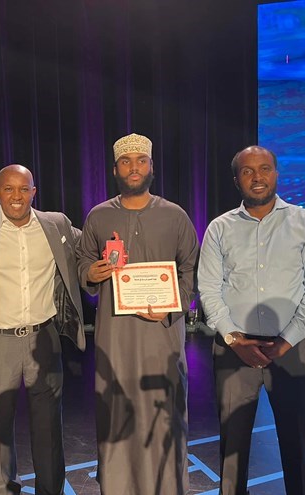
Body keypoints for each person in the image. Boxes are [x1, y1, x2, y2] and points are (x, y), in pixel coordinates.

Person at [197, 145, 305, 495]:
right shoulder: (219, 228)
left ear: (276, 174)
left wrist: (286, 341)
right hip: (234, 350)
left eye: (264, 169)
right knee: (232, 448)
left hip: (293, 348)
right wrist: (233, 338)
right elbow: (209, 289)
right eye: (247, 171)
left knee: (298, 444)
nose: (257, 177)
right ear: (236, 180)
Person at [0, 164, 85, 495]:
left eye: (24, 189)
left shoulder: (57, 224)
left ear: (33, 192)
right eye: (8, 189)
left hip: (44, 338)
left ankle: (50, 490)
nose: (16, 196)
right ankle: (5, 489)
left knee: (48, 425)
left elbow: (91, 245)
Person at [77, 133, 199, 494]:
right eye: (126, 162)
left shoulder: (174, 215)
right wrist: (91, 272)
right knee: (116, 410)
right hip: (115, 337)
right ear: (115, 169)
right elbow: (83, 261)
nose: (134, 168)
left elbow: (191, 269)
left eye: (141, 161)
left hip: (162, 334)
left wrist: (173, 305)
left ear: (151, 166)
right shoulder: (99, 216)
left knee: (166, 412)